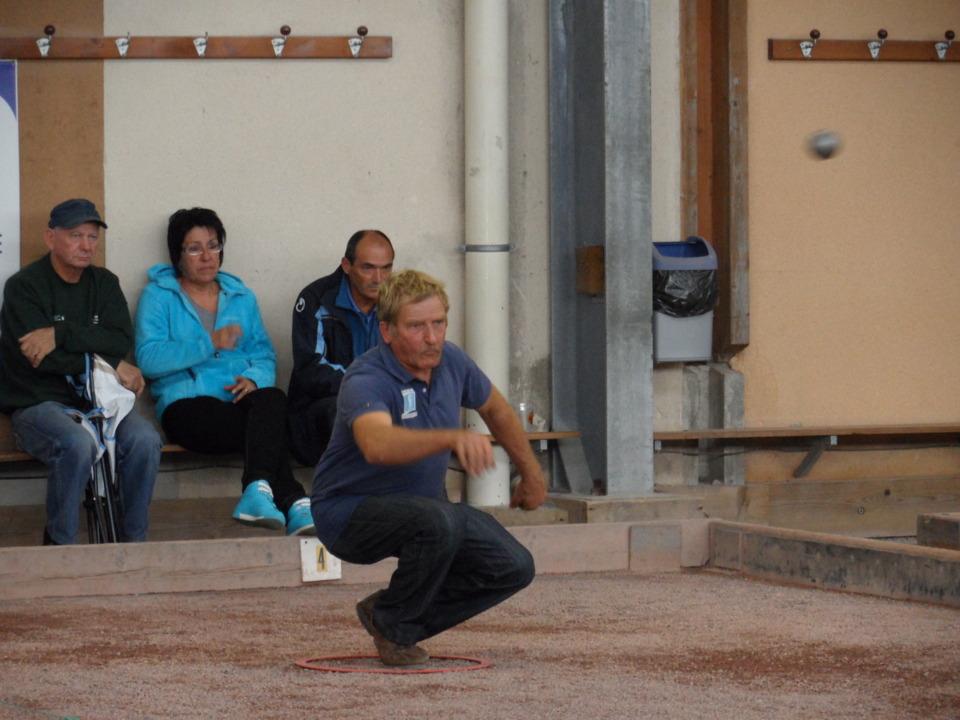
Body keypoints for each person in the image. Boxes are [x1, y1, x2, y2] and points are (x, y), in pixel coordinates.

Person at [311, 269, 547, 667]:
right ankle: (395, 628)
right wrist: (449, 437)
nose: (433, 337)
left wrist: (532, 473)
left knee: (513, 566)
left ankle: (388, 613)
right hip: (348, 513)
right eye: (417, 326)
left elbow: (496, 408)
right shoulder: (366, 377)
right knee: (441, 520)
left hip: (424, 511)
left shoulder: (452, 359)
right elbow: (377, 444)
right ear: (387, 331)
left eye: (438, 323)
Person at [135, 207, 313, 536]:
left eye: (214, 245)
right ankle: (293, 500)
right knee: (267, 429)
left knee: (272, 398)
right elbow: (149, 359)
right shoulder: (158, 296)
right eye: (195, 248)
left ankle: (258, 492)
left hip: (237, 399)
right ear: (178, 255)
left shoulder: (241, 297)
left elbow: (264, 354)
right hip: (188, 405)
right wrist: (208, 343)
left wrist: (255, 378)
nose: (207, 256)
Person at [0, 198, 161, 545]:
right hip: (38, 404)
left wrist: (61, 335)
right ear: (50, 238)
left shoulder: (104, 283)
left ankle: (133, 547)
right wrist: (108, 362)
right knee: (76, 443)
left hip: (102, 401)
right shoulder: (24, 286)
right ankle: (61, 547)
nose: (86, 246)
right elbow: (41, 360)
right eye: (76, 235)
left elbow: (118, 341)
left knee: (146, 440)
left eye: (92, 237)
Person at [288, 230, 394, 466]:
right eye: (368, 268)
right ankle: (359, 496)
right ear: (346, 265)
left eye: (386, 268)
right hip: (321, 408)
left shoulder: (398, 301)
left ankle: (435, 501)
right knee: (351, 408)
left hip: (383, 399)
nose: (379, 278)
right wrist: (365, 385)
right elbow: (310, 369)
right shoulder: (316, 298)